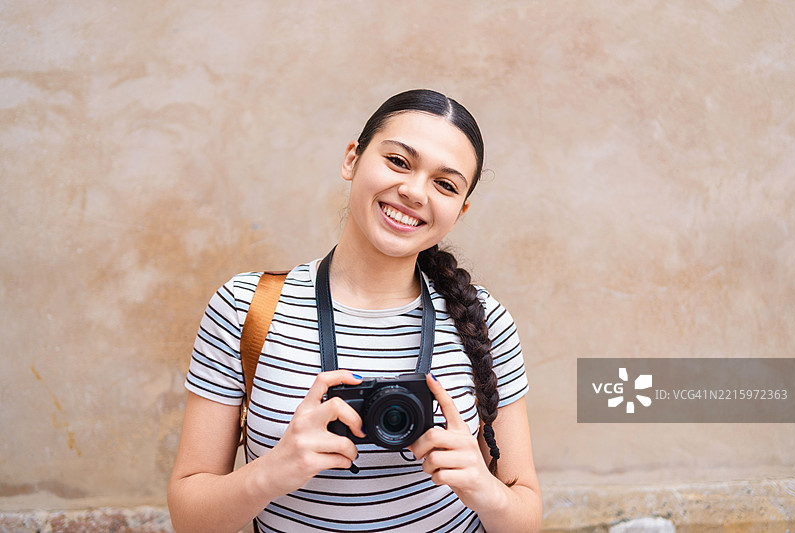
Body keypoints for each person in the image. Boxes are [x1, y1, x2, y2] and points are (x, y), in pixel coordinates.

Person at [168, 89, 542, 532]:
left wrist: (485, 488)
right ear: (352, 159)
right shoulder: (244, 307)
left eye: (445, 184)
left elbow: (525, 518)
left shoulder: (485, 320)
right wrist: (271, 472)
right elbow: (189, 518)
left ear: (459, 210)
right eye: (399, 161)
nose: (413, 192)